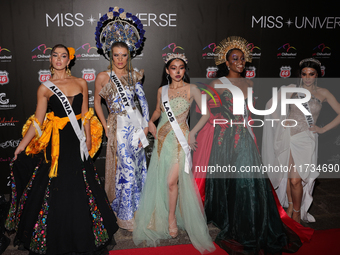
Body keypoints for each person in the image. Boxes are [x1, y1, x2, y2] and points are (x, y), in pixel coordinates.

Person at [6, 44, 118, 255]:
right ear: (50, 60)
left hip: (77, 142)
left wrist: (87, 138)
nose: (59, 59)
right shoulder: (44, 87)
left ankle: (82, 233)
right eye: (55, 56)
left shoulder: (81, 82)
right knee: (56, 187)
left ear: (69, 60)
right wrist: (21, 145)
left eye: (63, 56)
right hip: (57, 146)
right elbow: (38, 122)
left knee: (81, 186)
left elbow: (85, 114)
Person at [204, 36, 309, 254]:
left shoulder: (250, 83)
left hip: (244, 136)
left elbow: (250, 112)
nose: (240, 62)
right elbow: (207, 112)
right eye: (235, 58)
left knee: (247, 180)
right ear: (227, 61)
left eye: (242, 58)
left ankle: (248, 221)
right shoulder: (216, 84)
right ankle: (229, 217)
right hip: (224, 138)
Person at [133, 54, 215, 254]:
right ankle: (169, 214)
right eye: (173, 68)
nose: (177, 71)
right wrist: (150, 122)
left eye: (181, 68)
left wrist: (193, 132)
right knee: (164, 180)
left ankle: (171, 218)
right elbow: (158, 111)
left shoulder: (192, 89)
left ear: (184, 70)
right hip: (162, 139)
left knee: (172, 181)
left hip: (181, 140)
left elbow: (207, 114)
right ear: (167, 71)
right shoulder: (162, 90)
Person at [262, 58, 340, 223]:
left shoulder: (323, 93)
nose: (307, 77)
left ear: (317, 74)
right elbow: (270, 105)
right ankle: (290, 208)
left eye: (311, 74)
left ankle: (297, 212)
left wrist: (323, 129)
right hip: (288, 136)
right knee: (291, 177)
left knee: (297, 179)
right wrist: (281, 123)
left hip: (306, 139)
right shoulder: (292, 89)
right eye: (304, 74)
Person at [94, 6, 149, 231]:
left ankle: (138, 209)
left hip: (136, 126)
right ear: (110, 55)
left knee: (137, 169)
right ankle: (124, 215)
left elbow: (143, 102)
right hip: (117, 126)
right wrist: (105, 126)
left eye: (123, 55)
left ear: (129, 56)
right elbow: (97, 103)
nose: (119, 59)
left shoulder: (135, 75)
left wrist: (145, 126)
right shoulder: (103, 76)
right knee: (124, 169)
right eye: (116, 55)